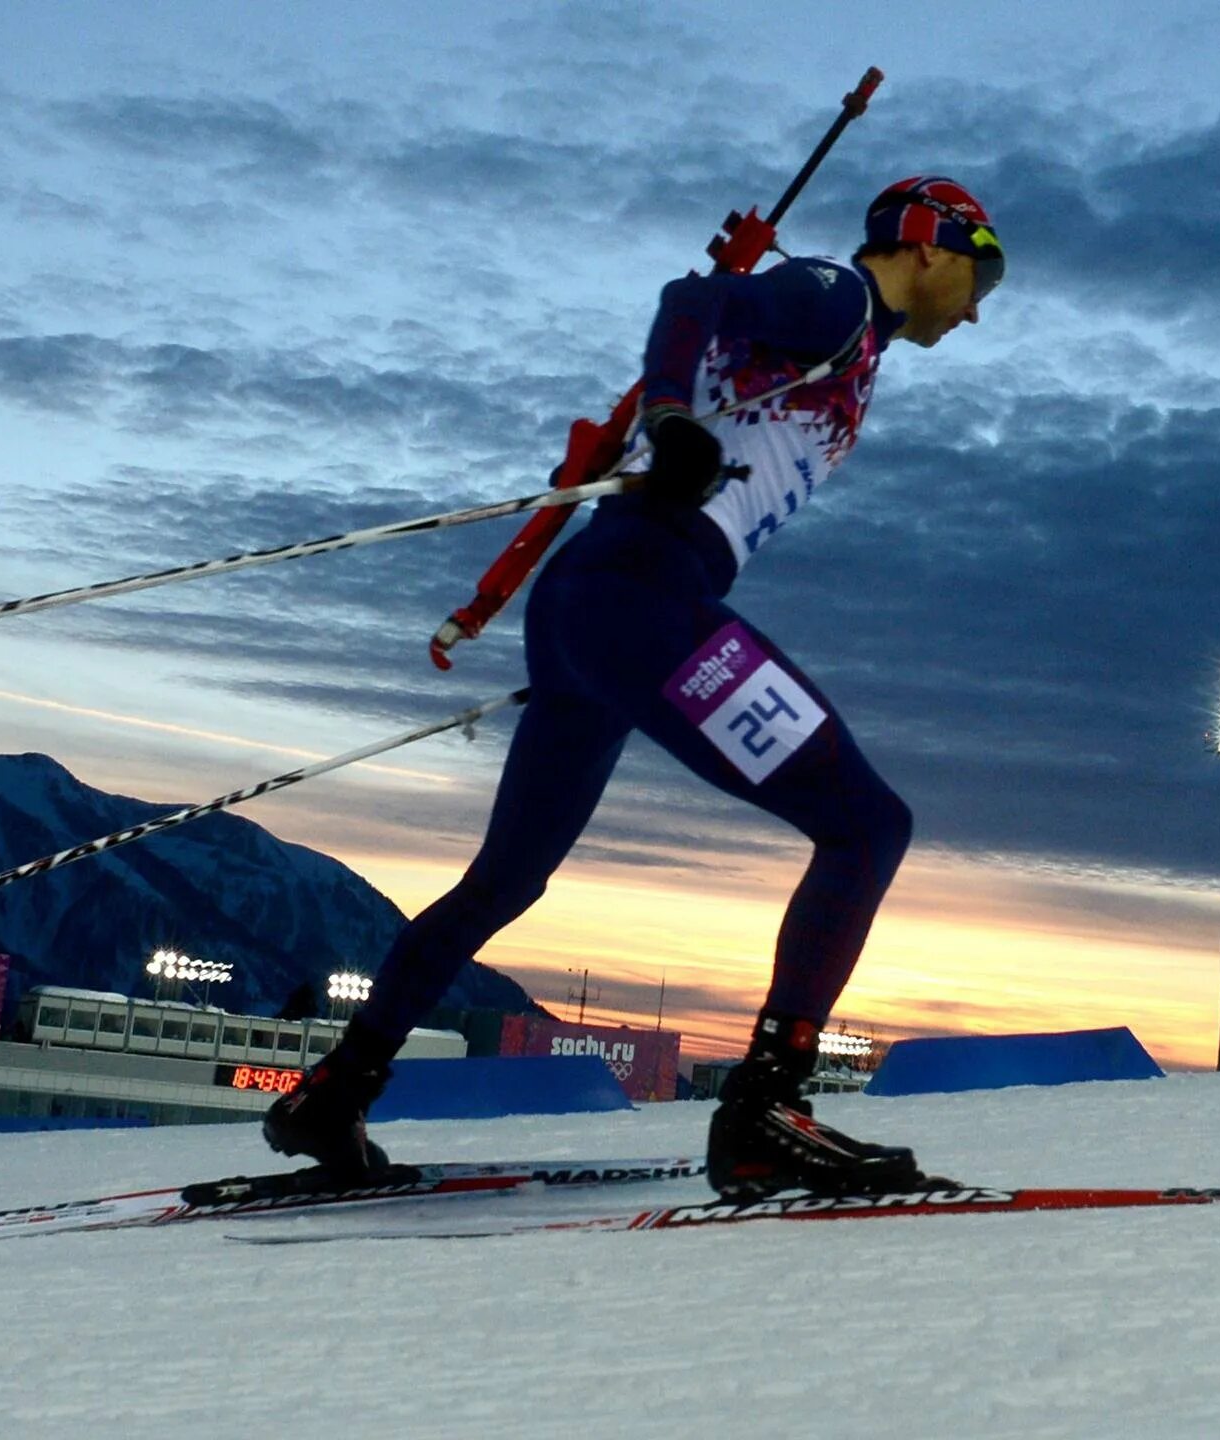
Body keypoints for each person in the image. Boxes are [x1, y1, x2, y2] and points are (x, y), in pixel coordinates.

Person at [265, 177, 1004, 1199]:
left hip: (600, 602)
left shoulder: (854, 341)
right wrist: (670, 419)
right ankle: (764, 1111)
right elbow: (692, 300)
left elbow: (709, 339)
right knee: (865, 826)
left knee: (504, 881)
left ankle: (332, 1096)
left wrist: (677, 422)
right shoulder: (837, 297)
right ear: (927, 246)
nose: (976, 307)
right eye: (983, 270)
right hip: (643, 594)